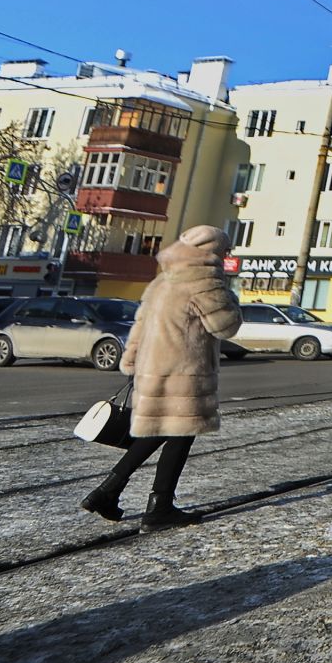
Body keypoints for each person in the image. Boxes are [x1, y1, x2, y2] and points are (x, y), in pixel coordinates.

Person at [79, 225, 241, 531]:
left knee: (158, 430)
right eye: (225, 250)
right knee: (180, 433)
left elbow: (139, 326)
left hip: (153, 368)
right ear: (211, 252)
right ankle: (159, 508)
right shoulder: (204, 280)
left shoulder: (162, 280)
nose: (227, 256)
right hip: (185, 371)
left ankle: (107, 492)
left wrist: (132, 360)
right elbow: (226, 326)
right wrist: (230, 298)